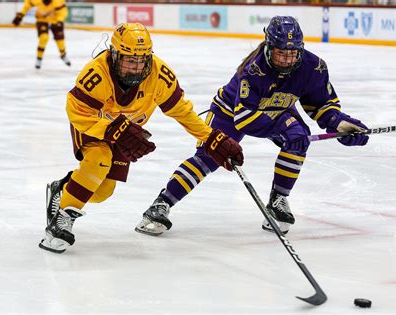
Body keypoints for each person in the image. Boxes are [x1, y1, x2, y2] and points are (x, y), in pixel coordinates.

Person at [135, 16, 369, 236]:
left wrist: (338, 123)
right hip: (230, 113)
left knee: (298, 138)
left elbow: (320, 104)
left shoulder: (313, 67)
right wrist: (283, 129)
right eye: (281, 53)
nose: (287, 60)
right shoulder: (254, 70)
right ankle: (161, 204)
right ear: (268, 47)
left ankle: (278, 201)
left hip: (277, 110)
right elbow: (245, 118)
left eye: (292, 53)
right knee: (209, 157)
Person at [39, 23, 244, 254]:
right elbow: (76, 111)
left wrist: (212, 138)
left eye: (142, 60)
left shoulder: (158, 74)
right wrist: (113, 129)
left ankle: (63, 189)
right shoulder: (97, 73)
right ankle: (60, 222)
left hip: (126, 133)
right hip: (92, 125)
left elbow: (182, 111)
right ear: (115, 55)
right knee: (99, 159)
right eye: (130, 60)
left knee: (102, 192)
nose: (137, 67)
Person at [12, 0, 71, 69]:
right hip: (42, 20)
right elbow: (26, 5)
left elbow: (63, 12)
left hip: (55, 20)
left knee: (60, 40)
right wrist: (20, 15)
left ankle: (63, 55)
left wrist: (59, 21)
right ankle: (39, 58)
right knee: (44, 38)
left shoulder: (58, 1)